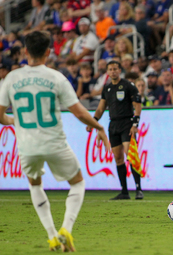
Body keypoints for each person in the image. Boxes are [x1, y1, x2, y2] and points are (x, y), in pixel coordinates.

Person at [0, 31, 110, 251]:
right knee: (78, 182)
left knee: (35, 184)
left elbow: (0, 116)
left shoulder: (11, 78)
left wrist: (17, 120)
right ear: (48, 52)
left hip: (27, 146)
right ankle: (65, 229)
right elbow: (79, 112)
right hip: (55, 143)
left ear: (25, 51)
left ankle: (51, 236)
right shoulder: (56, 77)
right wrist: (99, 127)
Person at [87, 61, 144, 200]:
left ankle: (138, 189)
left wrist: (135, 124)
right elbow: (101, 108)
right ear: (107, 72)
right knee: (118, 158)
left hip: (127, 123)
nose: (113, 71)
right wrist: (93, 122)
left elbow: (137, 105)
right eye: (110, 69)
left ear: (120, 70)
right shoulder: (106, 88)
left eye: (115, 69)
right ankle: (124, 191)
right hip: (113, 125)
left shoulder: (128, 86)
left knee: (129, 155)